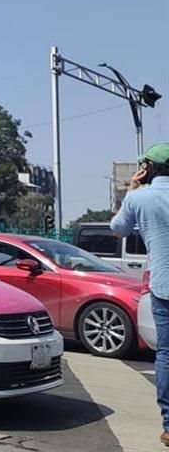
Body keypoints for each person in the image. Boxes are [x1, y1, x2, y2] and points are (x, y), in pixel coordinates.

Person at [111, 142, 169, 446]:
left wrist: (131, 190)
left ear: (148, 168)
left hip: (164, 287)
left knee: (167, 355)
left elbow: (118, 229)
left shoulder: (140, 198)